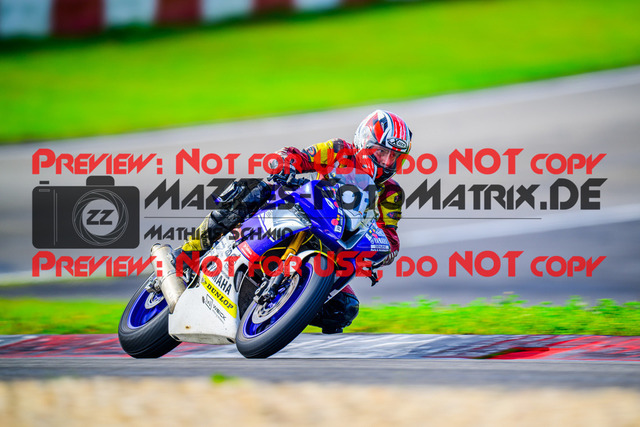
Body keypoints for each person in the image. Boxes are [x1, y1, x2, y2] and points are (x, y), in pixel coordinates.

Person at [179, 109, 412, 333]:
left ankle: (275, 319)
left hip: (334, 246)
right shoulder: (339, 150)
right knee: (254, 189)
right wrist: (286, 162)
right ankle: (190, 251)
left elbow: (389, 237)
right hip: (302, 211)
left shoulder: (391, 193)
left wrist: (380, 253)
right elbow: (301, 157)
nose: (387, 162)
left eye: (394, 157)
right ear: (364, 142)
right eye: (382, 152)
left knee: (344, 309)